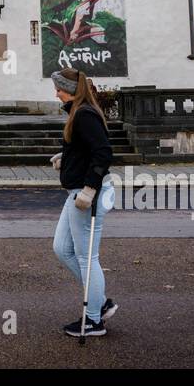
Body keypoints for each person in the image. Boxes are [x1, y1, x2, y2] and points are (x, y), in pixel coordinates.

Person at [49, 67, 116, 337]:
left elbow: (103, 152)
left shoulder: (84, 114)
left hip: (87, 195)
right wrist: (68, 160)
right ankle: (100, 302)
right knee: (62, 248)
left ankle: (93, 320)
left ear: (71, 90)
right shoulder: (79, 113)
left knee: (88, 258)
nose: (56, 93)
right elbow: (88, 150)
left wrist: (89, 188)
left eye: (59, 88)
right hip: (75, 191)